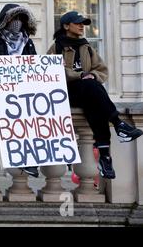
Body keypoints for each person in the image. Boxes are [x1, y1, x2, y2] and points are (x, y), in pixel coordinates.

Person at [48, 11, 143, 179]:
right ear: (65, 26)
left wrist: (93, 75)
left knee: (95, 106)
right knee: (91, 87)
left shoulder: (87, 47)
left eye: (83, 23)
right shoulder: (56, 47)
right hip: (66, 93)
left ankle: (105, 158)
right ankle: (117, 124)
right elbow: (50, 71)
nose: (81, 26)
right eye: (77, 23)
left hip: (86, 92)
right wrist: (80, 75)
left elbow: (101, 70)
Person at [0, 3, 40, 178]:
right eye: (14, 18)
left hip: (23, 90)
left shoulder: (27, 41)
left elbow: (35, 66)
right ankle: (22, 157)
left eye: (21, 19)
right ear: (5, 20)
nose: (17, 22)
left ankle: (31, 158)